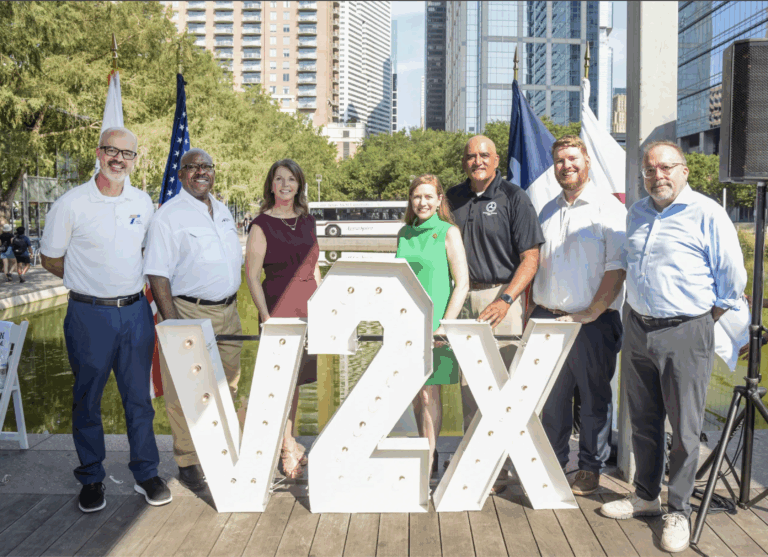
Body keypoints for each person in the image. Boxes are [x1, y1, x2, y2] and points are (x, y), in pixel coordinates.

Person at [600, 142, 747, 553]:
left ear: (683, 171)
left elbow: (732, 280)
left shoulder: (708, 213)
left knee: (683, 428)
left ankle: (678, 508)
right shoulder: (637, 212)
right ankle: (646, 495)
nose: (657, 176)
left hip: (686, 329)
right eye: (649, 170)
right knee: (644, 420)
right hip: (638, 326)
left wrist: (703, 320)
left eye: (665, 168)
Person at [40, 127, 171, 513]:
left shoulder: (143, 201)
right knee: (87, 399)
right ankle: (92, 477)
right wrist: (86, 281)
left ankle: (146, 473)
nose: (119, 159)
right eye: (111, 151)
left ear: (135, 159)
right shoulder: (71, 203)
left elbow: (150, 253)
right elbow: (50, 258)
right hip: (88, 315)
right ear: (98, 153)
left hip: (134, 314)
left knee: (138, 401)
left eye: (126, 153)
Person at [446, 135, 544, 491]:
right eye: (471, 156)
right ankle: (482, 462)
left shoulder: (515, 198)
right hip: (461, 298)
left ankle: (509, 463)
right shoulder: (451, 198)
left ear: (497, 158)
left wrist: (505, 299)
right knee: (469, 387)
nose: (478, 161)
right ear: (464, 162)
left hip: (502, 299)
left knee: (505, 385)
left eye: (484, 155)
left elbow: (531, 259)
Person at [529, 135, 626, 496]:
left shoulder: (608, 208)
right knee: (551, 400)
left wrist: (592, 311)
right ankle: (553, 461)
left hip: (592, 322)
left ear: (586, 161)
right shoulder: (547, 209)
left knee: (593, 399)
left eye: (572, 159)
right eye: (559, 161)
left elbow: (617, 269)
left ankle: (589, 467)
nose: (566, 166)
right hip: (548, 319)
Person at [144, 148, 244, 492]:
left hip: (229, 312)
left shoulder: (222, 209)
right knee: (184, 390)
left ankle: (222, 448)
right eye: (193, 167)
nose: (201, 172)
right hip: (188, 310)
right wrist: (172, 326)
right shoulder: (168, 216)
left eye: (207, 167)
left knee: (228, 384)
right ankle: (188, 460)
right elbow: (157, 274)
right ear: (181, 173)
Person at [245, 159, 321, 479]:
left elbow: (315, 266)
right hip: (278, 309)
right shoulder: (261, 224)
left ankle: (287, 440)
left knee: (298, 382)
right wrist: (265, 317)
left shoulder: (308, 222)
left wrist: (323, 307)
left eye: (291, 179)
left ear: (299, 185)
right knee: (280, 384)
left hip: (309, 310)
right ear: (271, 185)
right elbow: (251, 275)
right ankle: (287, 446)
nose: (286, 184)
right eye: (280, 179)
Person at [396, 174, 469, 477]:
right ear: (410, 201)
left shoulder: (448, 232)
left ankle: (427, 461)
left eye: (429, 196)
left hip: (435, 326)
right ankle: (427, 448)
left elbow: (462, 283)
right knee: (415, 393)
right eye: (417, 196)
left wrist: (444, 325)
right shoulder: (404, 233)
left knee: (430, 394)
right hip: (406, 324)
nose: (422, 202)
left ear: (439, 200)